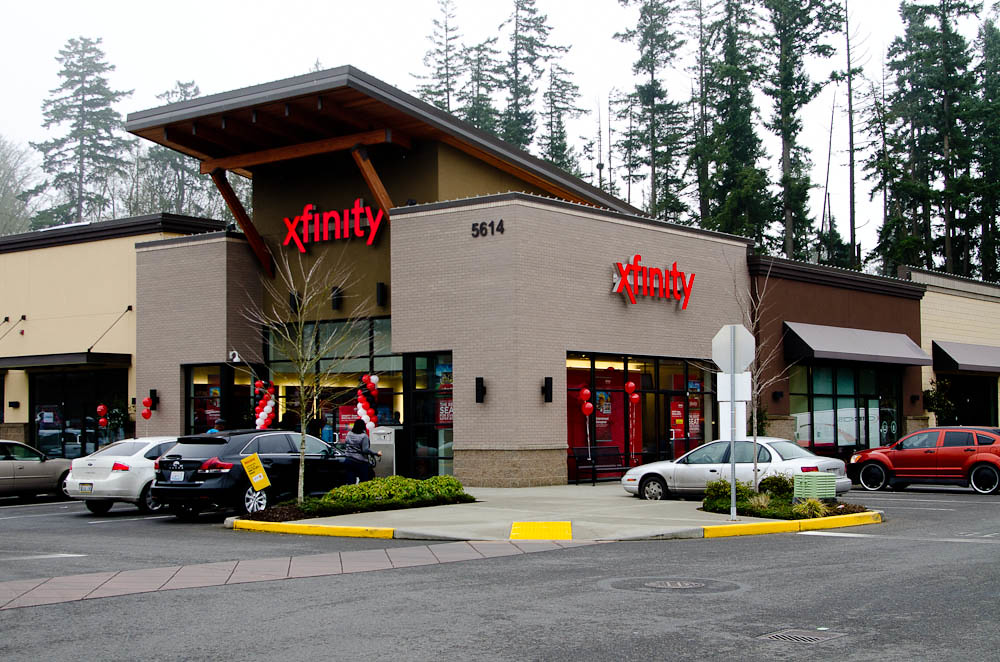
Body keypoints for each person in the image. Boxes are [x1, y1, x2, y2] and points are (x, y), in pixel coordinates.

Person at [342, 419, 380, 484]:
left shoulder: (349, 434)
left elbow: (346, 443)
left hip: (348, 460)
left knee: (350, 482)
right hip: (360, 461)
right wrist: (376, 453)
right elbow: (365, 450)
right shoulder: (364, 436)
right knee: (364, 481)